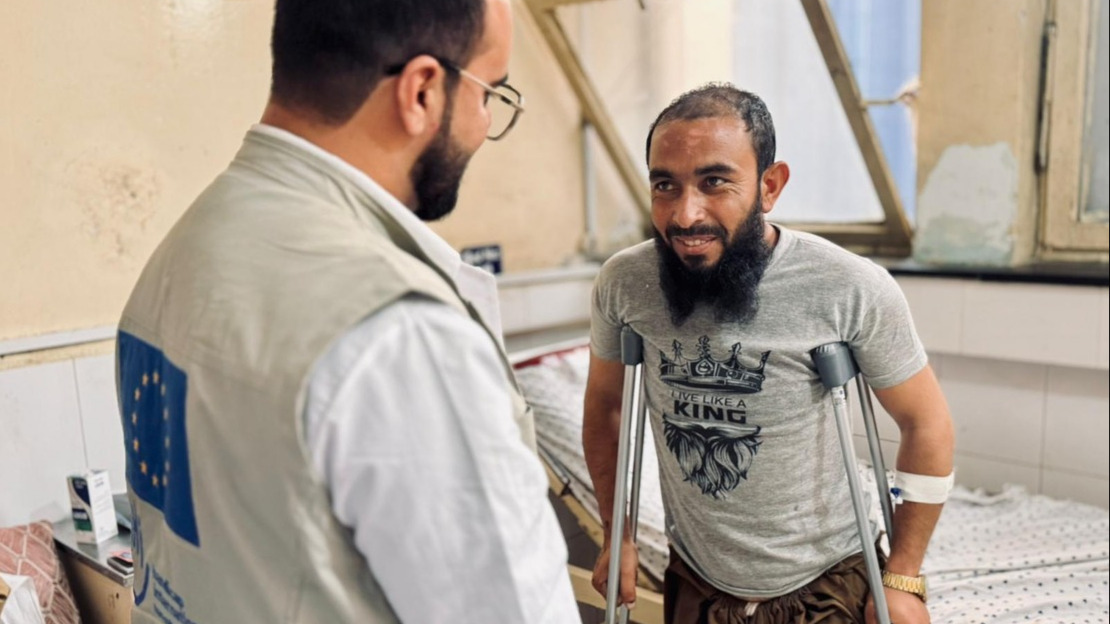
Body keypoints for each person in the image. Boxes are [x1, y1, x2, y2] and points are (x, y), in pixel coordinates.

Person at [114, 1, 579, 622]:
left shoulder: (182, 252)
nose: (484, 122)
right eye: (489, 92)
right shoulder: (400, 333)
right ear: (420, 91)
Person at [583, 84, 955, 624]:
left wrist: (902, 577)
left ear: (770, 185)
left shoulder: (847, 286)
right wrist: (616, 535)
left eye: (715, 182)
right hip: (696, 579)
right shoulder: (625, 283)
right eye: (665, 185)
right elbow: (606, 411)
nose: (685, 216)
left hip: (826, 580)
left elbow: (926, 424)